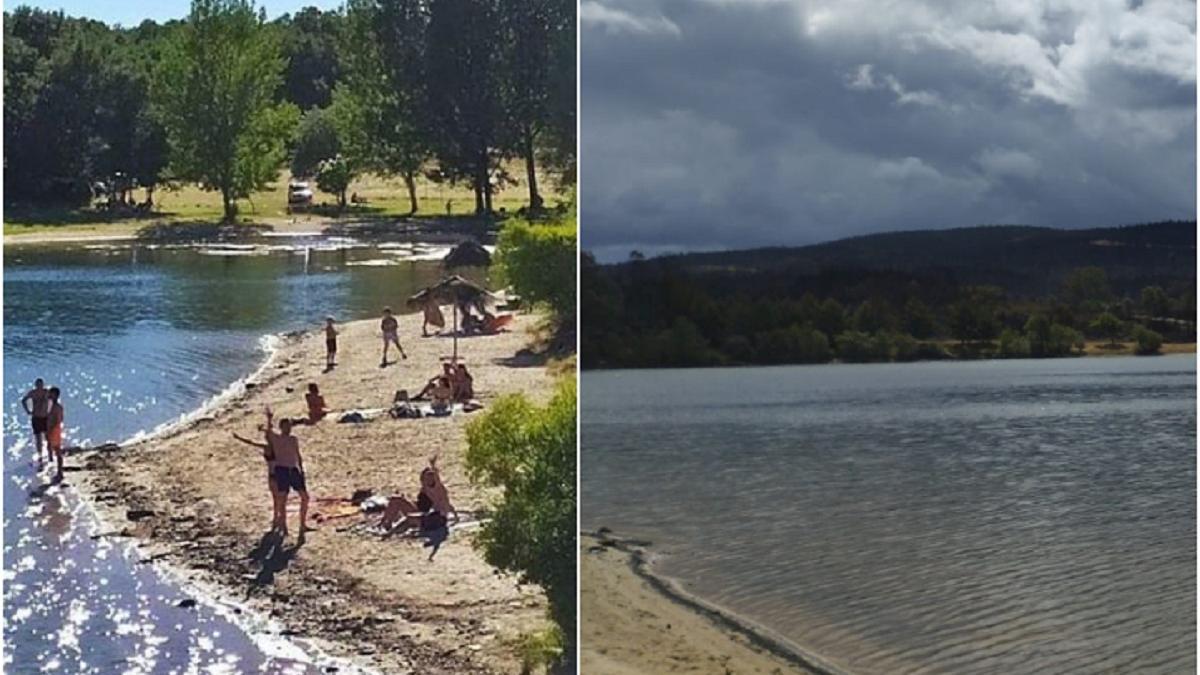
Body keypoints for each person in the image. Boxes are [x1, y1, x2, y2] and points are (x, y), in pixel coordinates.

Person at [380, 457, 457, 560]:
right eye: (426, 477)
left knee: (409, 518)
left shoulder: (438, 489)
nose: (428, 479)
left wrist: (433, 466)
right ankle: (385, 523)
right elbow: (448, 505)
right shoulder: (427, 490)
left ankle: (389, 534)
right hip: (430, 515)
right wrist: (455, 515)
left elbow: (439, 485)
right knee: (397, 501)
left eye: (430, 477)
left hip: (437, 519)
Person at [264, 408, 310, 538]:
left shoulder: (293, 439)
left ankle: (302, 524)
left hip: (293, 469)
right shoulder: (277, 439)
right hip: (282, 470)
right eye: (286, 426)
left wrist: (301, 469)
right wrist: (269, 418)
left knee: (305, 497)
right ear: (281, 427)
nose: (288, 428)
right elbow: (268, 432)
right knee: (282, 499)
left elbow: (297, 455)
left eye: (289, 426)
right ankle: (283, 524)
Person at [232, 428, 280, 528]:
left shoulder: (267, 447)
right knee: (281, 497)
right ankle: (278, 516)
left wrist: (239, 438)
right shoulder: (280, 446)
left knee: (275, 497)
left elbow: (251, 443)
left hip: (273, 474)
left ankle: (276, 517)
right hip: (281, 473)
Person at [21, 378, 52, 464]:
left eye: (40, 384)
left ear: (42, 384)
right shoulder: (33, 393)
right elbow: (23, 400)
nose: (39, 386)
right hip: (36, 417)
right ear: (35, 385)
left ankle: (50, 455)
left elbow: (53, 399)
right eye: (38, 385)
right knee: (38, 439)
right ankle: (40, 456)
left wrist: (51, 411)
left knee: (48, 437)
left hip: (45, 417)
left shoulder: (46, 392)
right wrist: (27, 411)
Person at [46, 387, 65, 481]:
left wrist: (52, 428)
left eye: (51, 394)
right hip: (52, 429)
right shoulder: (51, 406)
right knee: (52, 448)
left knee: (57, 451)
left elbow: (59, 419)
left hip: (55, 430)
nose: (49, 395)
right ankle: (57, 470)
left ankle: (60, 472)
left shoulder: (57, 407)